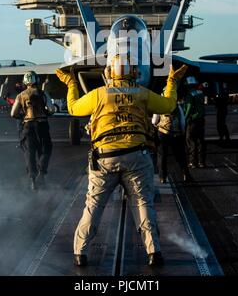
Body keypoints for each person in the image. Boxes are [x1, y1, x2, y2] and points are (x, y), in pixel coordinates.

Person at [56, 56, 187, 267]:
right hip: (137, 156)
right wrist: (172, 81)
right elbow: (169, 105)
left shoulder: (99, 94)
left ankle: (80, 253)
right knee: (143, 203)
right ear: (134, 73)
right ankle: (154, 252)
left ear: (109, 73)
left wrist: (71, 84)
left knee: (94, 206)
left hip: (105, 158)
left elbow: (73, 109)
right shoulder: (141, 93)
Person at [11, 71, 55, 190]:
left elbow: (13, 113)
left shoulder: (20, 95)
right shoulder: (43, 93)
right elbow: (51, 109)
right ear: (37, 80)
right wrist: (46, 113)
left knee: (29, 153)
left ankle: (33, 179)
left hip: (28, 127)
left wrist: (23, 116)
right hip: (42, 125)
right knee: (46, 150)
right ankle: (42, 173)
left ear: (25, 82)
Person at [152, 100, 192, 183]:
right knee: (180, 155)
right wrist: (182, 132)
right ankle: (185, 174)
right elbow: (182, 121)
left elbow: (154, 121)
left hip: (163, 132)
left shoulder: (160, 105)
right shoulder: (177, 106)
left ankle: (162, 177)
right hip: (176, 134)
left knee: (162, 155)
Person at [184, 76, 206, 168]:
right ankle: (202, 162)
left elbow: (189, 108)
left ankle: (193, 162)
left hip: (192, 121)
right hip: (201, 120)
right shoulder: (201, 93)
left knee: (191, 141)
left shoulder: (190, 94)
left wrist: (184, 119)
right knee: (201, 142)